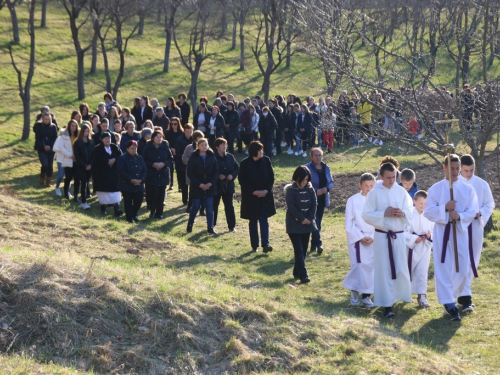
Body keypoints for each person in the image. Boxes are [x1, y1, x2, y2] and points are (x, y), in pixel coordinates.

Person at [424, 154, 478, 321]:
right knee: (444, 267)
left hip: (460, 232)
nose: (455, 172)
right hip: (443, 232)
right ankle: (448, 302)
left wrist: (459, 216)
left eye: (457, 168)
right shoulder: (436, 189)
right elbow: (428, 211)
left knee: (462, 268)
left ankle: (461, 294)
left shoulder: (467, 189)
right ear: (444, 168)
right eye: (451, 168)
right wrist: (445, 209)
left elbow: (473, 210)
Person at [362, 162, 413, 318]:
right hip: (383, 236)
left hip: (398, 235)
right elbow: (366, 214)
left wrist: (402, 213)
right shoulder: (374, 193)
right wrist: (384, 213)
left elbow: (410, 209)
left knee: (400, 268)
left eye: (394, 177)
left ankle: (400, 295)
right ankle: (387, 304)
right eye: (389, 178)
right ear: (381, 176)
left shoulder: (401, 191)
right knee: (384, 269)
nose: (392, 180)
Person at [456, 154, 494, 311]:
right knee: (461, 260)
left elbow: (489, 204)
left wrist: (480, 213)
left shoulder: (481, 184)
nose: (469, 173)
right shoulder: (454, 184)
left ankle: (466, 294)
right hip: (458, 227)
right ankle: (463, 296)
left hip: (475, 226)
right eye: (466, 170)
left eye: (471, 170)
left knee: (473, 259)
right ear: (460, 169)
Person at [342, 173, 376, 307]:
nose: (368, 188)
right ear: (360, 185)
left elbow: (381, 220)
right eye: (366, 186)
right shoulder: (353, 200)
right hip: (358, 238)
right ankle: (354, 291)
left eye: (371, 186)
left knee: (371, 267)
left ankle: (367, 296)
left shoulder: (378, 200)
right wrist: (361, 237)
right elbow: (349, 222)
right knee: (358, 265)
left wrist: (372, 236)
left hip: (373, 237)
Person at [238, 141, 276, 253]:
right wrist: (253, 191)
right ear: (253, 152)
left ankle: (266, 244)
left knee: (264, 219)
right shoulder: (245, 163)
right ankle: (255, 245)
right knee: (253, 221)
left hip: (264, 196)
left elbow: (271, 177)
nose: (261, 152)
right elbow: (242, 181)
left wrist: (267, 190)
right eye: (259, 151)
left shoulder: (266, 160)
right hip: (251, 198)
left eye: (262, 150)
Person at [285, 166, 317, 284]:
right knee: (298, 250)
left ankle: (296, 271)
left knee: (303, 250)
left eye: (306, 180)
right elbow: (291, 206)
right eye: (302, 179)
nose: (304, 182)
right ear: (297, 178)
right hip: (294, 225)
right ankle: (303, 275)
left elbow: (314, 204)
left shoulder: (310, 189)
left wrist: (309, 218)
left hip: (307, 224)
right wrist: (301, 218)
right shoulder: (290, 190)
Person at [405, 190, 434, 308]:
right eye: (420, 203)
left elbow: (434, 230)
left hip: (424, 247)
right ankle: (404, 294)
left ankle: (422, 296)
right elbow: (403, 231)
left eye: (425, 203)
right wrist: (413, 238)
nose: (423, 206)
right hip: (410, 247)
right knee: (407, 270)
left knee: (422, 271)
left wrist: (429, 236)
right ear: (414, 201)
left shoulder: (430, 215)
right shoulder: (408, 214)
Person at [186, 138, 219, 235]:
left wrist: (211, 183)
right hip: (197, 186)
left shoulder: (212, 156)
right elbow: (190, 173)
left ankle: (210, 228)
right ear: (198, 146)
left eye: (206, 144)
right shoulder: (194, 156)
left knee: (209, 207)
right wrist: (199, 184)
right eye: (202, 145)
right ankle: (190, 224)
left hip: (209, 186)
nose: (204, 146)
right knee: (195, 206)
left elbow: (216, 171)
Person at [305, 148, 334, 254]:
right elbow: (304, 183)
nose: (318, 157)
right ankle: (319, 243)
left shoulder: (326, 168)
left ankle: (313, 245)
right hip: (311, 199)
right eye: (316, 155)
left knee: (318, 222)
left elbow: (331, 182)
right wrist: (315, 191)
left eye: (320, 155)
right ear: (312, 156)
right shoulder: (307, 168)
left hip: (322, 198)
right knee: (315, 221)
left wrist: (326, 189)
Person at [91, 131, 123, 216]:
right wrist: (107, 161)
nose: (108, 140)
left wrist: (114, 159)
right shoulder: (97, 148)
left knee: (115, 192)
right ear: (102, 139)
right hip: (102, 174)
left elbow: (120, 155)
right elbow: (96, 160)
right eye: (106, 138)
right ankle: (103, 208)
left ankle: (117, 208)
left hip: (113, 174)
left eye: (109, 138)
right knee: (103, 193)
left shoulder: (114, 147)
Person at [144, 130, 173, 219]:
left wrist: (164, 164)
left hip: (163, 173)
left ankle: (159, 213)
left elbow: (170, 159)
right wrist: (153, 164)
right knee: (154, 193)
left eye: (161, 137)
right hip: (152, 174)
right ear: (153, 138)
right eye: (157, 137)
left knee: (161, 195)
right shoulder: (148, 147)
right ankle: (152, 211)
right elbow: (144, 160)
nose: (159, 139)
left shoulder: (165, 146)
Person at [117, 140, 147, 223]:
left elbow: (144, 170)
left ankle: (134, 214)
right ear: (127, 149)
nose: (134, 150)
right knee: (128, 202)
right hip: (127, 184)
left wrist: (141, 179)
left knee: (139, 200)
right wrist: (131, 180)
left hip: (139, 183)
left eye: (135, 148)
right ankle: (129, 218)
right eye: (132, 148)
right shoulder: (122, 158)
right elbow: (121, 171)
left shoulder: (140, 157)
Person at [213, 138, 239, 232]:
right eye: (222, 144)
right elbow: (210, 170)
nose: (224, 146)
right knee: (214, 205)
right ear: (217, 147)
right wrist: (218, 175)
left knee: (229, 206)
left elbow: (236, 168)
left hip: (228, 186)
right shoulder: (213, 157)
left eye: (225, 144)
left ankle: (231, 226)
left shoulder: (230, 157)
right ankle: (212, 225)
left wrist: (232, 175)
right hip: (217, 186)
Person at [53, 120, 79, 199]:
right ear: (69, 126)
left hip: (75, 159)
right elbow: (60, 147)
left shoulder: (77, 136)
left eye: (75, 126)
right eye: (72, 126)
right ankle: (59, 188)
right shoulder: (63, 137)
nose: (73, 128)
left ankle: (69, 192)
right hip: (65, 159)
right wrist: (70, 155)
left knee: (72, 177)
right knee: (65, 176)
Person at [183, 130, 206, 214]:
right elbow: (184, 158)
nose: (200, 139)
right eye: (198, 138)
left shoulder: (206, 148)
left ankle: (202, 209)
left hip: (203, 174)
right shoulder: (189, 147)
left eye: (201, 137)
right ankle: (189, 206)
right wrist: (193, 161)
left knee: (204, 192)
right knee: (192, 191)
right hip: (192, 173)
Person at [33, 112, 58, 187]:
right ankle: (42, 176)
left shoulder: (53, 126)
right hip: (41, 148)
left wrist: (50, 146)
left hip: (51, 148)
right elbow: (38, 138)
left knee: (50, 165)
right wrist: (44, 146)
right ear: (42, 119)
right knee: (45, 163)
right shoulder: (39, 125)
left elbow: (55, 138)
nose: (46, 121)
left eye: (48, 119)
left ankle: (48, 181)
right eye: (45, 119)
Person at [73, 123, 95, 209]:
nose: (86, 133)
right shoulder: (77, 142)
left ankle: (85, 200)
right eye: (85, 131)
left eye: (87, 131)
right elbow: (77, 156)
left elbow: (93, 155)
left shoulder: (92, 142)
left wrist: (90, 164)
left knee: (87, 182)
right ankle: (83, 201)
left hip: (89, 166)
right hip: (80, 166)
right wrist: (84, 165)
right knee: (84, 183)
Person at [175, 124, 193, 203]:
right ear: (184, 131)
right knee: (184, 183)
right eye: (187, 132)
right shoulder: (179, 140)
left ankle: (191, 199)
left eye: (190, 132)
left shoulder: (193, 139)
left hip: (192, 165)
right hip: (182, 164)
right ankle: (185, 199)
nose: (189, 133)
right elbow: (178, 153)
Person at [165, 117, 183, 190]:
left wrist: (177, 150)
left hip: (178, 153)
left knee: (179, 169)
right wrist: (171, 149)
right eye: (172, 124)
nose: (173, 125)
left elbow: (181, 143)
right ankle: (171, 184)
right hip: (170, 152)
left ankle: (180, 185)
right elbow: (166, 142)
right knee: (171, 169)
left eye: (175, 124)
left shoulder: (181, 132)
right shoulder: (168, 132)